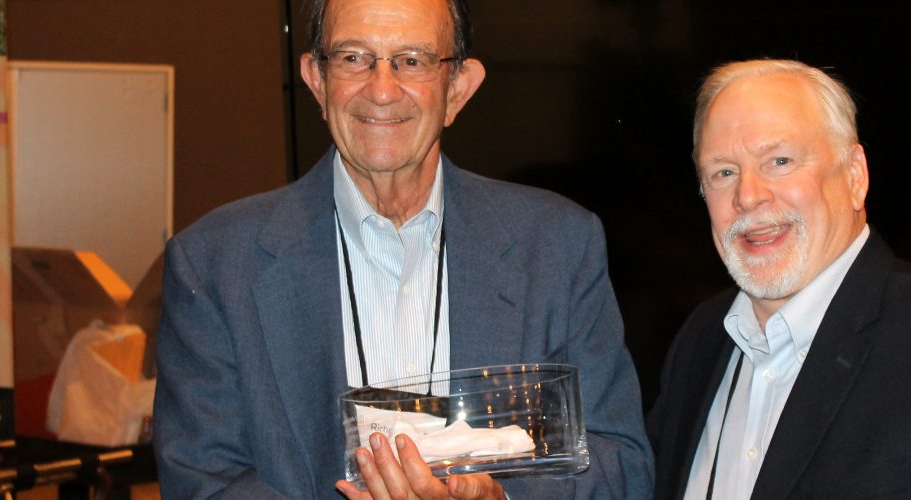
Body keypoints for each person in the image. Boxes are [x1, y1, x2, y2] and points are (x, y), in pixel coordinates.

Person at [151, 0, 653, 498]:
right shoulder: (215, 265)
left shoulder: (558, 246)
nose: (382, 90)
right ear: (317, 80)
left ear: (457, 88)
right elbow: (203, 480)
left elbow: (621, 465)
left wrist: (499, 499)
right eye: (353, 58)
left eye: (412, 61)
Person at [646, 58, 911, 499]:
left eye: (779, 161)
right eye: (723, 172)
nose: (747, 195)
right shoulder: (702, 340)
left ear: (855, 175)